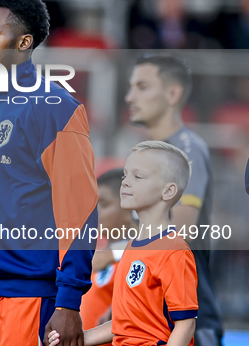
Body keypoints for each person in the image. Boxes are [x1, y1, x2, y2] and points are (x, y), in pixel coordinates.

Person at [0, 0, 98, 346]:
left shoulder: (56, 108)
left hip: (28, 295)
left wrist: (69, 302)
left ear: (23, 42)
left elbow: (80, 210)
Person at [50, 141, 198, 346]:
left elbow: (185, 324)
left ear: (168, 191)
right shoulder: (132, 247)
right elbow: (122, 324)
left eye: (138, 176)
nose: (126, 182)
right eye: (125, 175)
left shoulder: (174, 250)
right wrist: (75, 339)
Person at [125, 54, 223, 345]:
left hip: (188, 319)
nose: (130, 97)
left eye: (142, 86)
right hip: (149, 315)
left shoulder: (187, 150)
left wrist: (112, 253)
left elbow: (183, 226)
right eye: (130, 87)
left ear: (172, 93)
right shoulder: (146, 155)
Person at [80, 169, 135, 338]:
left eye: (103, 204)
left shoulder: (136, 259)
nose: (95, 212)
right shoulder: (98, 257)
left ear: (129, 208)